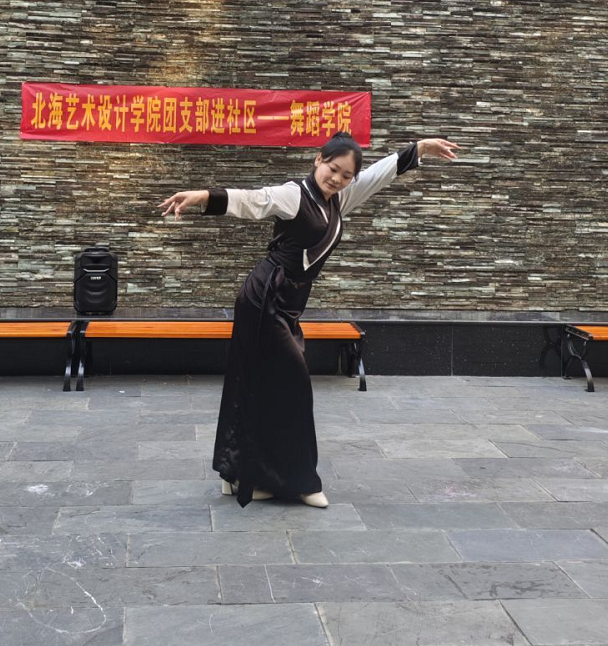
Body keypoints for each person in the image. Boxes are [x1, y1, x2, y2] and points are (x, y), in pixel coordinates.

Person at [158, 132, 460, 507]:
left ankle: (236, 472)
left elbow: (377, 175)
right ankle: (301, 483)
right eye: (333, 169)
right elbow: (253, 200)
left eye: (346, 175)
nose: (337, 178)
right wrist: (203, 197)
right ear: (319, 160)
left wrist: (420, 148)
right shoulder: (294, 194)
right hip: (264, 298)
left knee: (261, 383)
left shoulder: (339, 199)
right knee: (293, 385)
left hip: (287, 305)